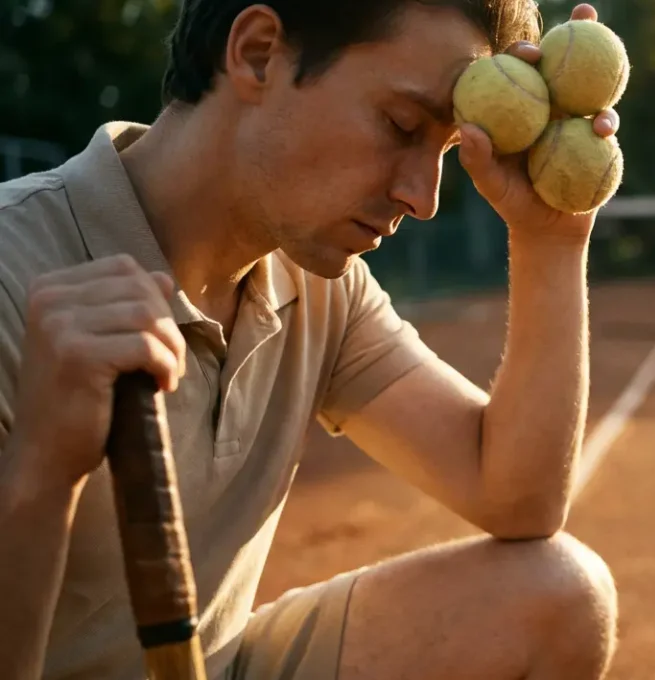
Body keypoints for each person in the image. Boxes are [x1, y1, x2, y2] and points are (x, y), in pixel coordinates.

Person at [0, 0, 622, 678]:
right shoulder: (13, 267)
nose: (423, 196)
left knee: (558, 594)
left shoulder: (317, 281)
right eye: (401, 124)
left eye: (444, 150)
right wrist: (39, 476)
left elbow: (515, 496)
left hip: (218, 666)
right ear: (259, 52)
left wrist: (549, 239)